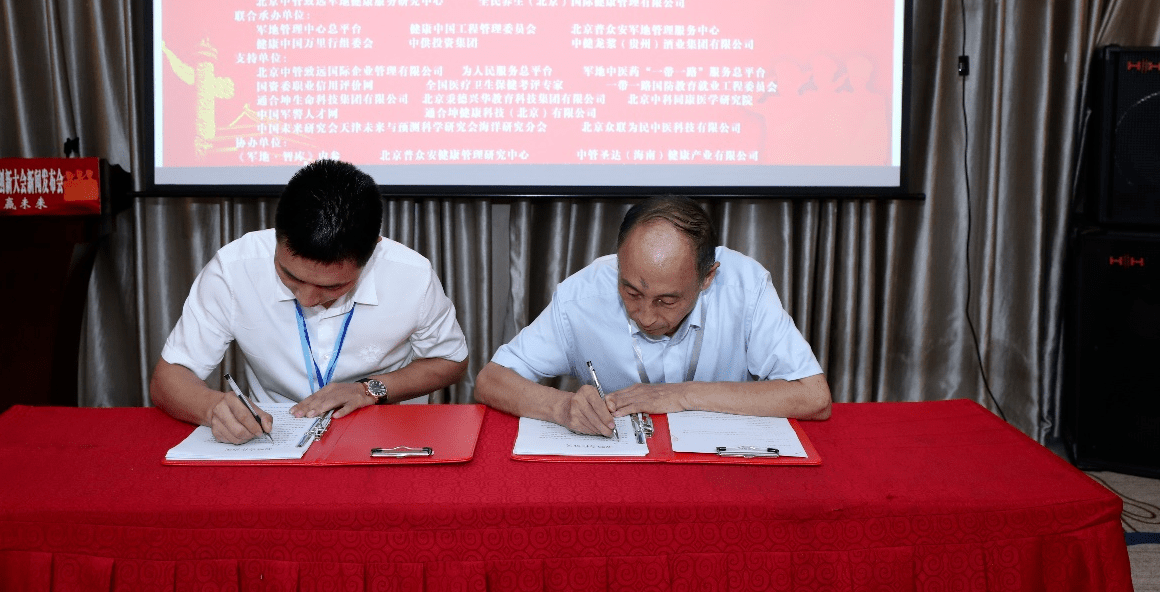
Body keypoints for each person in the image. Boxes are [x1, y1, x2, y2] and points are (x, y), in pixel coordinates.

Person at [151, 160, 469, 443]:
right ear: (277, 236)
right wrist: (212, 408)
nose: (307, 298)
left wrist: (369, 389)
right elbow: (169, 378)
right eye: (289, 276)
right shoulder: (235, 269)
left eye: (333, 286)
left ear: (373, 251)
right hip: (271, 437)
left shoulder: (412, 276)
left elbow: (450, 361)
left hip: (385, 435)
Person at [474, 196, 830, 436]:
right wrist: (562, 407)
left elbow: (813, 397)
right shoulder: (583, 295)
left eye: (666, 301)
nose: (645, 316)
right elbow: (491, 380)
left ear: (707, 278)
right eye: (631, 293)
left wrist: (683, 395)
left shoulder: (745, 287)